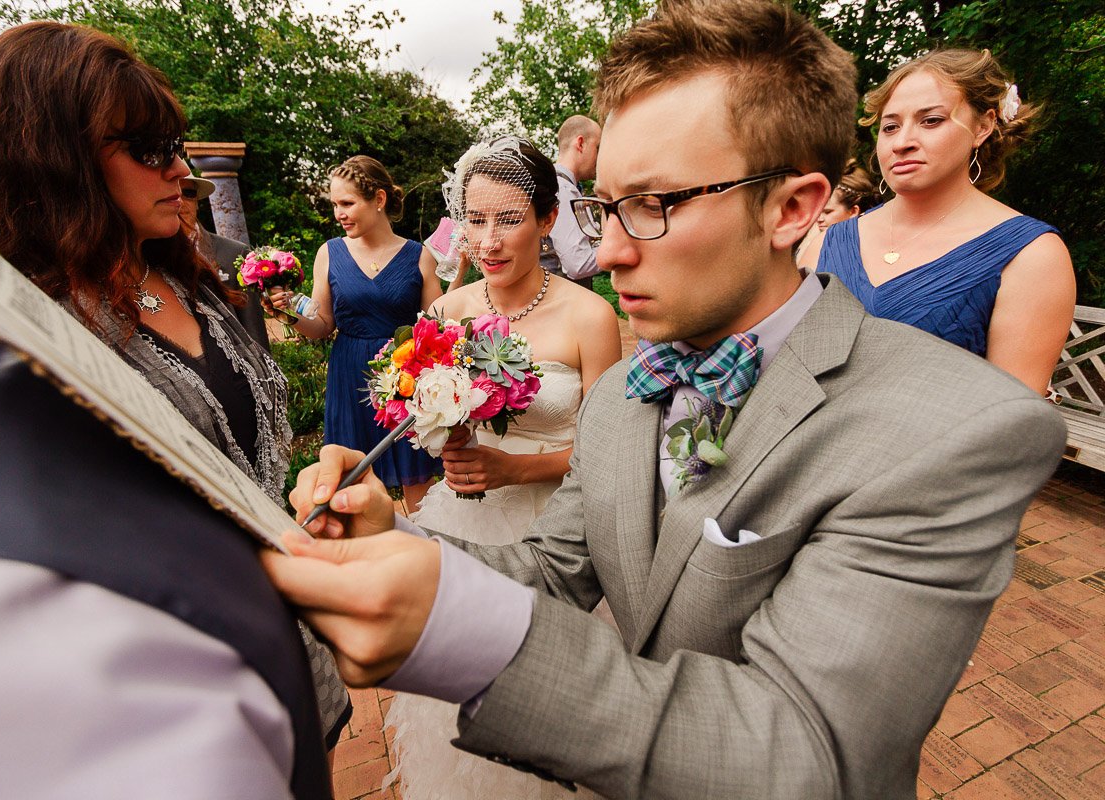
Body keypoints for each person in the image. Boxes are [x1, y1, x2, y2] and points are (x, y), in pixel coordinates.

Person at [263, 2, 1066, 797]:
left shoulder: (953, 430)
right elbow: (553, 569)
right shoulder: (623, 395)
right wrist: (398, 538)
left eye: (656, 205)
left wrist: (458, 635)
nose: (609, 252)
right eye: (605, 208)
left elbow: (805, 750)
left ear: (792, 208)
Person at [0, 18, 349, 767]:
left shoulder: (189, 275)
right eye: (152, 151)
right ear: (56, 160)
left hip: (297, 648)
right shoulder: (25, 335)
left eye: (178, 148)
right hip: (182, 692)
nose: (182, 173)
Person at [0, 300, 331, 799]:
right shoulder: (35, 320)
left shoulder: (193, 283)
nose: (186, 215)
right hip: (182, 637)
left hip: (292, 605)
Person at [385, 136, 622, 799]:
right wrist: (442, 433)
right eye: (474, 217)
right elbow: (419, 422)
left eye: (508, 219)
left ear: (548, 220)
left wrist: (514, 470)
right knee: (465, 692)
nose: (486, 240)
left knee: (556, 703)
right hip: (462, 526)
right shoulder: (444, 315)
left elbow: (611, 452)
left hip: (560, 536)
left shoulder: (590, 316)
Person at [799, 48, 1075, 394]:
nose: (902, 143)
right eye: (890, 127)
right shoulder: (831, 240)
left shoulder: (1033, 257)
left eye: (931, 121)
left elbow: (1010, 423)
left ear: (983, 126)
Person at [270, 156, 443, 511]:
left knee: (418, 482)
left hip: (403, 379)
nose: (339, 213)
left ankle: (427, 552)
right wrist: (288, 313)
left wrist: (459, 274)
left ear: (378, 200)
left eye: (347, 203)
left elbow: (438, 325)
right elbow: (322, 325)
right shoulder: (329, 253)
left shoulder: (418, 255)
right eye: (335, 205)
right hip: (349, 378)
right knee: (352, 479)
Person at [179, 174, 271, 349]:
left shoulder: (234, 253)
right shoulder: (145, 256)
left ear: (197, 201)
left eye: (188, 193)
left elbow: (255, 333)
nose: (180, 201)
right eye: (173, 193)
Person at [540, 115, 602, 287]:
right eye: (598, 147)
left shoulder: (567, 187)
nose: (601, 156)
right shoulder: (561, 190)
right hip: (562, 305)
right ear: (580, 143)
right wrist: (617, 249)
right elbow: (578, 265)